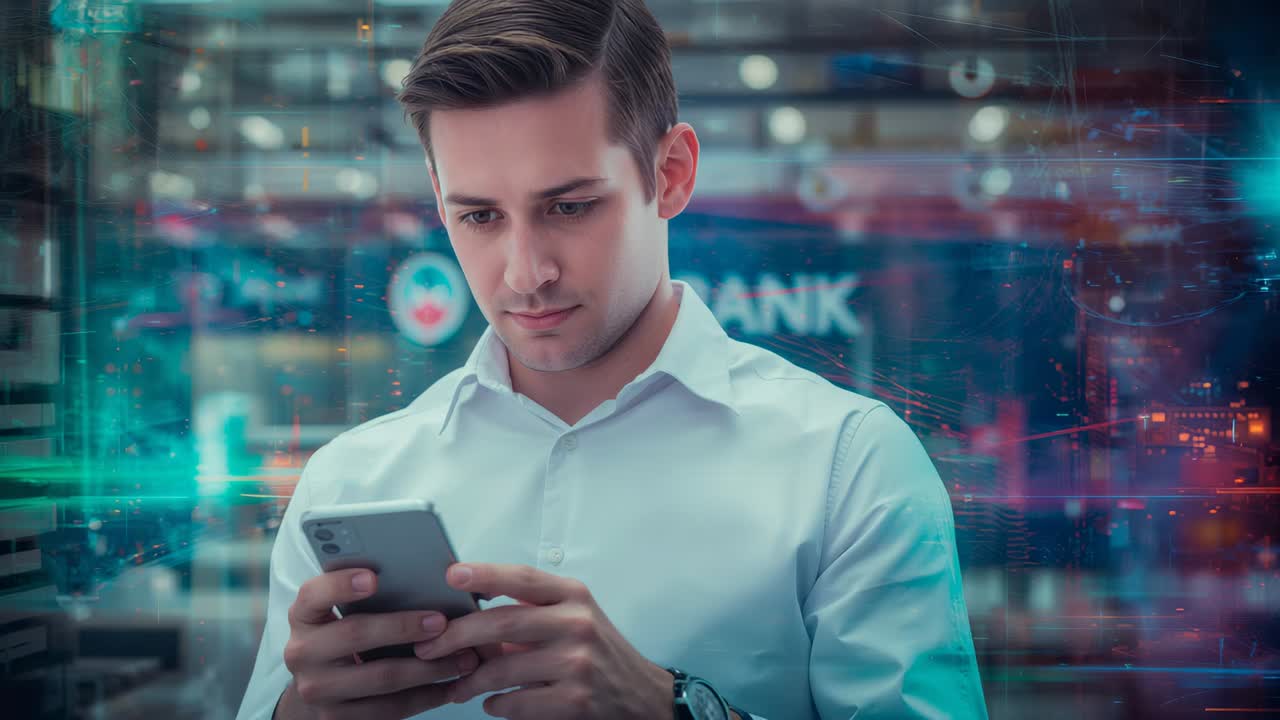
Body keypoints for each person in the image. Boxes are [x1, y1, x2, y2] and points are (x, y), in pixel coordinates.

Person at [237, 1, 988, 718]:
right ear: (439, 200)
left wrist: (676, 712)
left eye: (569, 206)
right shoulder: (349, 482)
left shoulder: (848, 468)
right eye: (479, 216)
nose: (525, 272)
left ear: (671, 174)